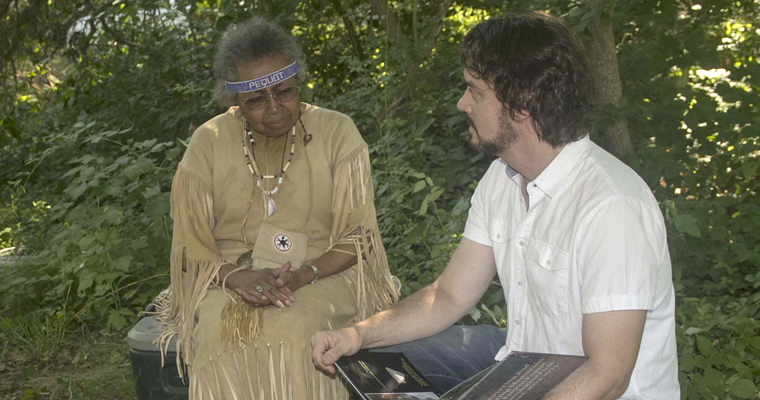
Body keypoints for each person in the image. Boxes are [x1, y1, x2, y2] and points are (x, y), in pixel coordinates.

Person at [312, 11, 680, 400]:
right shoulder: (501, 179)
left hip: (585, 390)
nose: (461, 103)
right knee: (372, 367)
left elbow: (607, 376)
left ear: (522, 103)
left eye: (475, 90)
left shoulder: (611, 207)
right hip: (520, 367)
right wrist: (358, 334)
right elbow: (449, 296)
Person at [153, 17, 398, 400]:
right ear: (236, 102)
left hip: (323, 271)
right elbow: (189, 244)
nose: (275, 108)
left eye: (284, 92)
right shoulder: (209, 142)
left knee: (299, 326)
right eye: (256, 100)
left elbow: (360, 237)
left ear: (298, 83)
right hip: (230, 275)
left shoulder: (337, 132)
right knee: (220, 333)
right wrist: (235, 277)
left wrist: (305, 274)